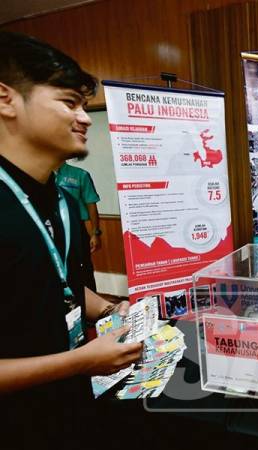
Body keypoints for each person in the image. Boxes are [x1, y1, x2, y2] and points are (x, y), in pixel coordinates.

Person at [0, 31, 143, 449]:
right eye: (68, 102)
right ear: (6, 99)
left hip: (71, 406)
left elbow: (52, 282)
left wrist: (112, 307)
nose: (84, 118)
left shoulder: (61, 197)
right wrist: (77, 362)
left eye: (84, 104)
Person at [56, 161, 101, 291]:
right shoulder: (40, 174)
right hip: (51, 228)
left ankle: (91, 306)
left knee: (84, 268)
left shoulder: (80, 175)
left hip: (76, 229)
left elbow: (91, 204)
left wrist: (95, 233)